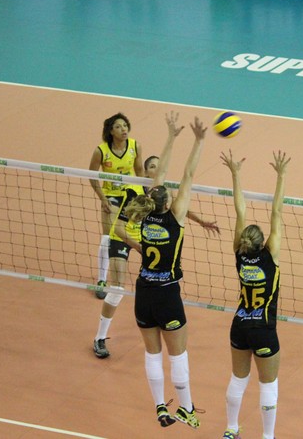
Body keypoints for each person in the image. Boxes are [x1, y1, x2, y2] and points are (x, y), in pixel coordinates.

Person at [92, 112, 220, 359]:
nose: (154, 170)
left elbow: (178, 210)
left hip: (145, 240)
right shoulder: (133, 189)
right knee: (118, 288)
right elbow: (117, 227)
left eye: (156, 167)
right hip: (124, 237)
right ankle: (99, 337)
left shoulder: (162, 193)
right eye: (151, 166)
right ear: (147, 171)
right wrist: (135, 244)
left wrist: (201, 220)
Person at [123, 117, 207, 429]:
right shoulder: (176, 217)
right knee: (178, 355)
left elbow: (162, 176)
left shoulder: (144, 214)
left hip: (143, 291)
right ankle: (186, 409)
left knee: (152, 354)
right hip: (168, 294)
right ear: (168, 200)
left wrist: (170, 136)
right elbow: (186, 174)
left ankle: (160, 407)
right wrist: (198, 141)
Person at [220, 149, 290, 439]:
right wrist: (281, 175)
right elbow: (276, 211)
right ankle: (268, 437)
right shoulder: (270, 255)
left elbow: (240, 210)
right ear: (263, 243)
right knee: (268, 384)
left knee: (238, 379)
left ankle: (231, 429)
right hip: (263, 329)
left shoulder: (239, 253)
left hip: (239, 325)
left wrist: (235, 173)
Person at [89, 112, 144, 299]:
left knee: (139, 232)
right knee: (108, 236)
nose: (124, 129)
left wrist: (144, 194)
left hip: (131, 197)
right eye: (119, 127)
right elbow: (92, 175)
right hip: (111, 196)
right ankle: (102, 280)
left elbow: (140, 171)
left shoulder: (135, 146)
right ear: (111, 131)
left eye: (125, 126)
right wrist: (102, 198)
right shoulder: (101, 151)